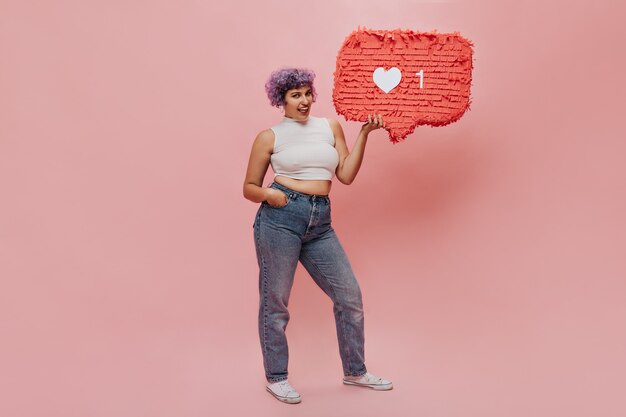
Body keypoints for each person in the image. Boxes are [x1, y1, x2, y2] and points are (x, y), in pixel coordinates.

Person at [243, 67, 393, 404]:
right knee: (276, 302)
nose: (305, 100)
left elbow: (346, 175)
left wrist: (364, 134)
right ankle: (277, 377)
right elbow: (249, 187)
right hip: (280, 219)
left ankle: (355, 371)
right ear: (280, 99)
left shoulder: (330, 127)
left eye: (308, 93)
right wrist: (270, 195)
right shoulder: (269, 137)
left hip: (320, 222)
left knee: (349, 296)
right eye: (296, 95)